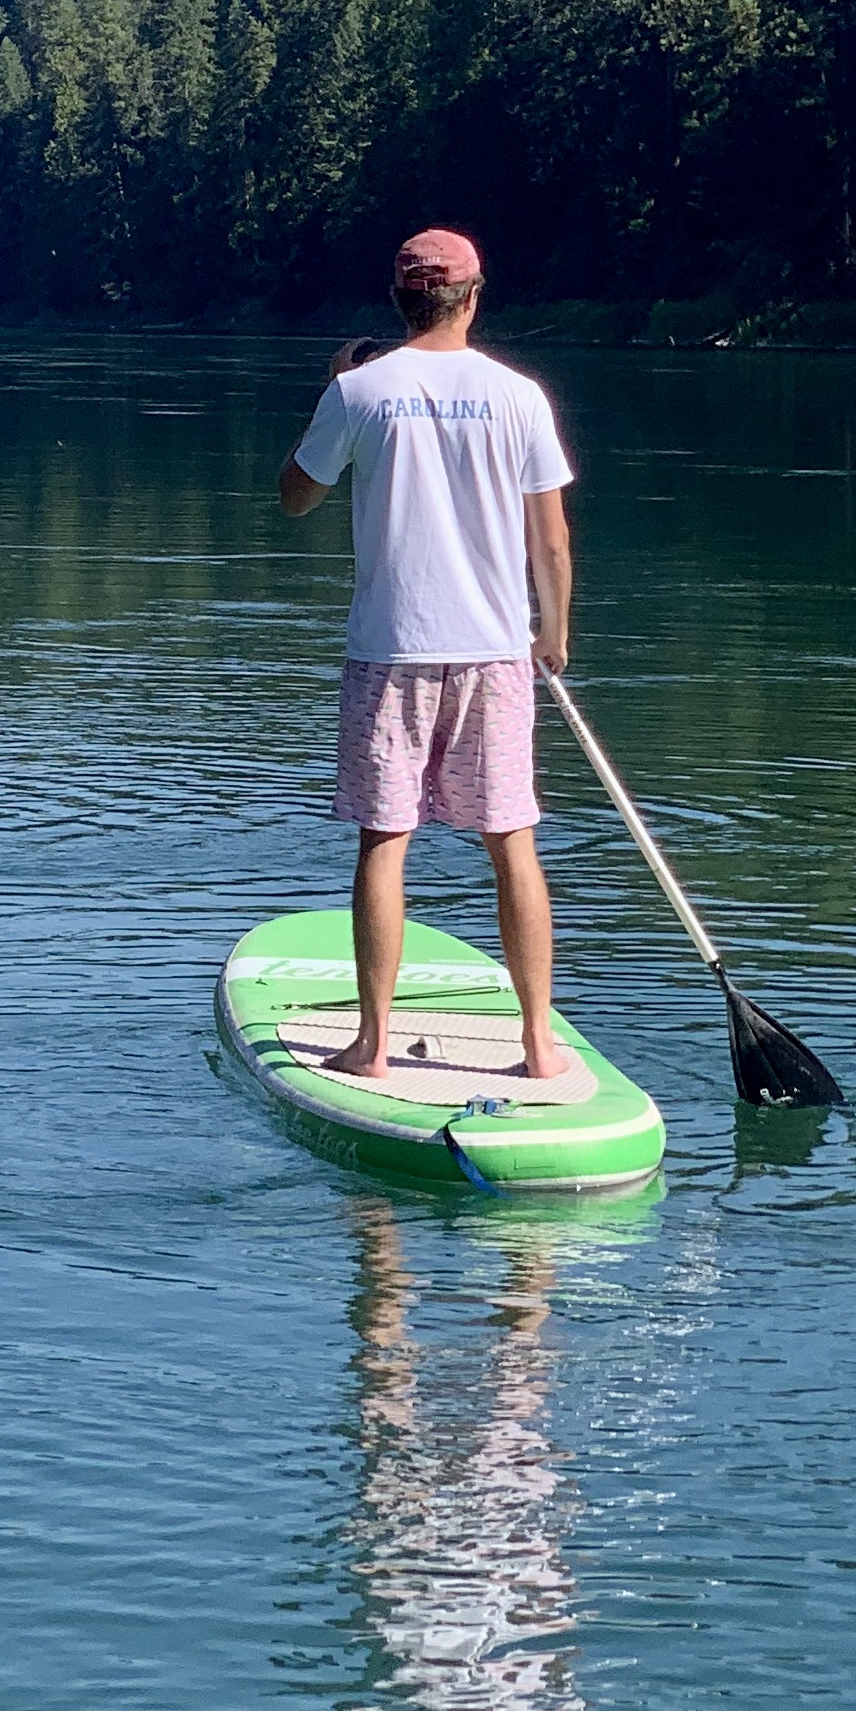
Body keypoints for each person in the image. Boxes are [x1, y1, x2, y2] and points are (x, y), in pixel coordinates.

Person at [278, 229, 575, 1079]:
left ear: (400, 298)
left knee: (385, 839)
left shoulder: (360, 390)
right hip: (494, 651)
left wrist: (333, 392)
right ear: (475, 294)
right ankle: (539, 1048)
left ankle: (371, 1048)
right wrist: (552, 631)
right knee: (511, 838)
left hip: (392, 651)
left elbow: (296, 498)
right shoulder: (519, 396)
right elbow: (550, 541)